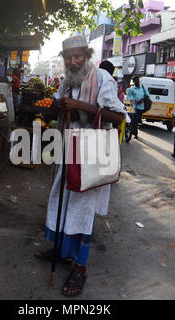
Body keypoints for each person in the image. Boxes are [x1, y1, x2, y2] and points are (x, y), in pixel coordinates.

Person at [35, 35, 128, 297]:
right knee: (60, 199)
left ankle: (80, 267)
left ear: (87, 56)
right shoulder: (67, 81)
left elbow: (118, 117)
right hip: (68, 151)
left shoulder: (102, 79)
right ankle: (62, 251)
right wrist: (58, 105)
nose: (73, 62)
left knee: (82, 209)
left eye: (78, 57)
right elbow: (59, 110)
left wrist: (80, 106)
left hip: (91, 153)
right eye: (68, 58)